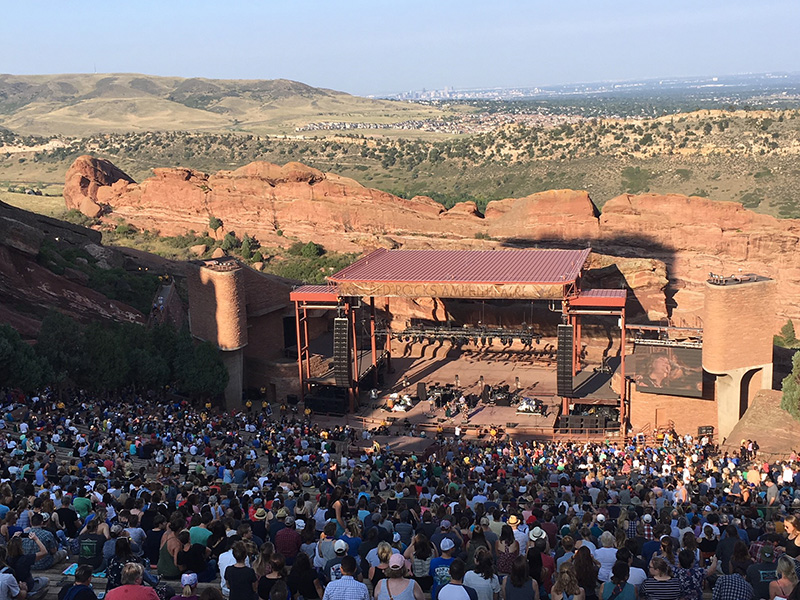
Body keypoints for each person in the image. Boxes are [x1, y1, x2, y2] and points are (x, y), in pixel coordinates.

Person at [7, 535, 49, 600]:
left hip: (13, 585)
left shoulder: (6, 559)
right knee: (46, 580)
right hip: (28, 584)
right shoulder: (25, 559)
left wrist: (13, 538)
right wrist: (36, 539)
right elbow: (44, 552)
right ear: (21, 548)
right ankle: (30, 594)